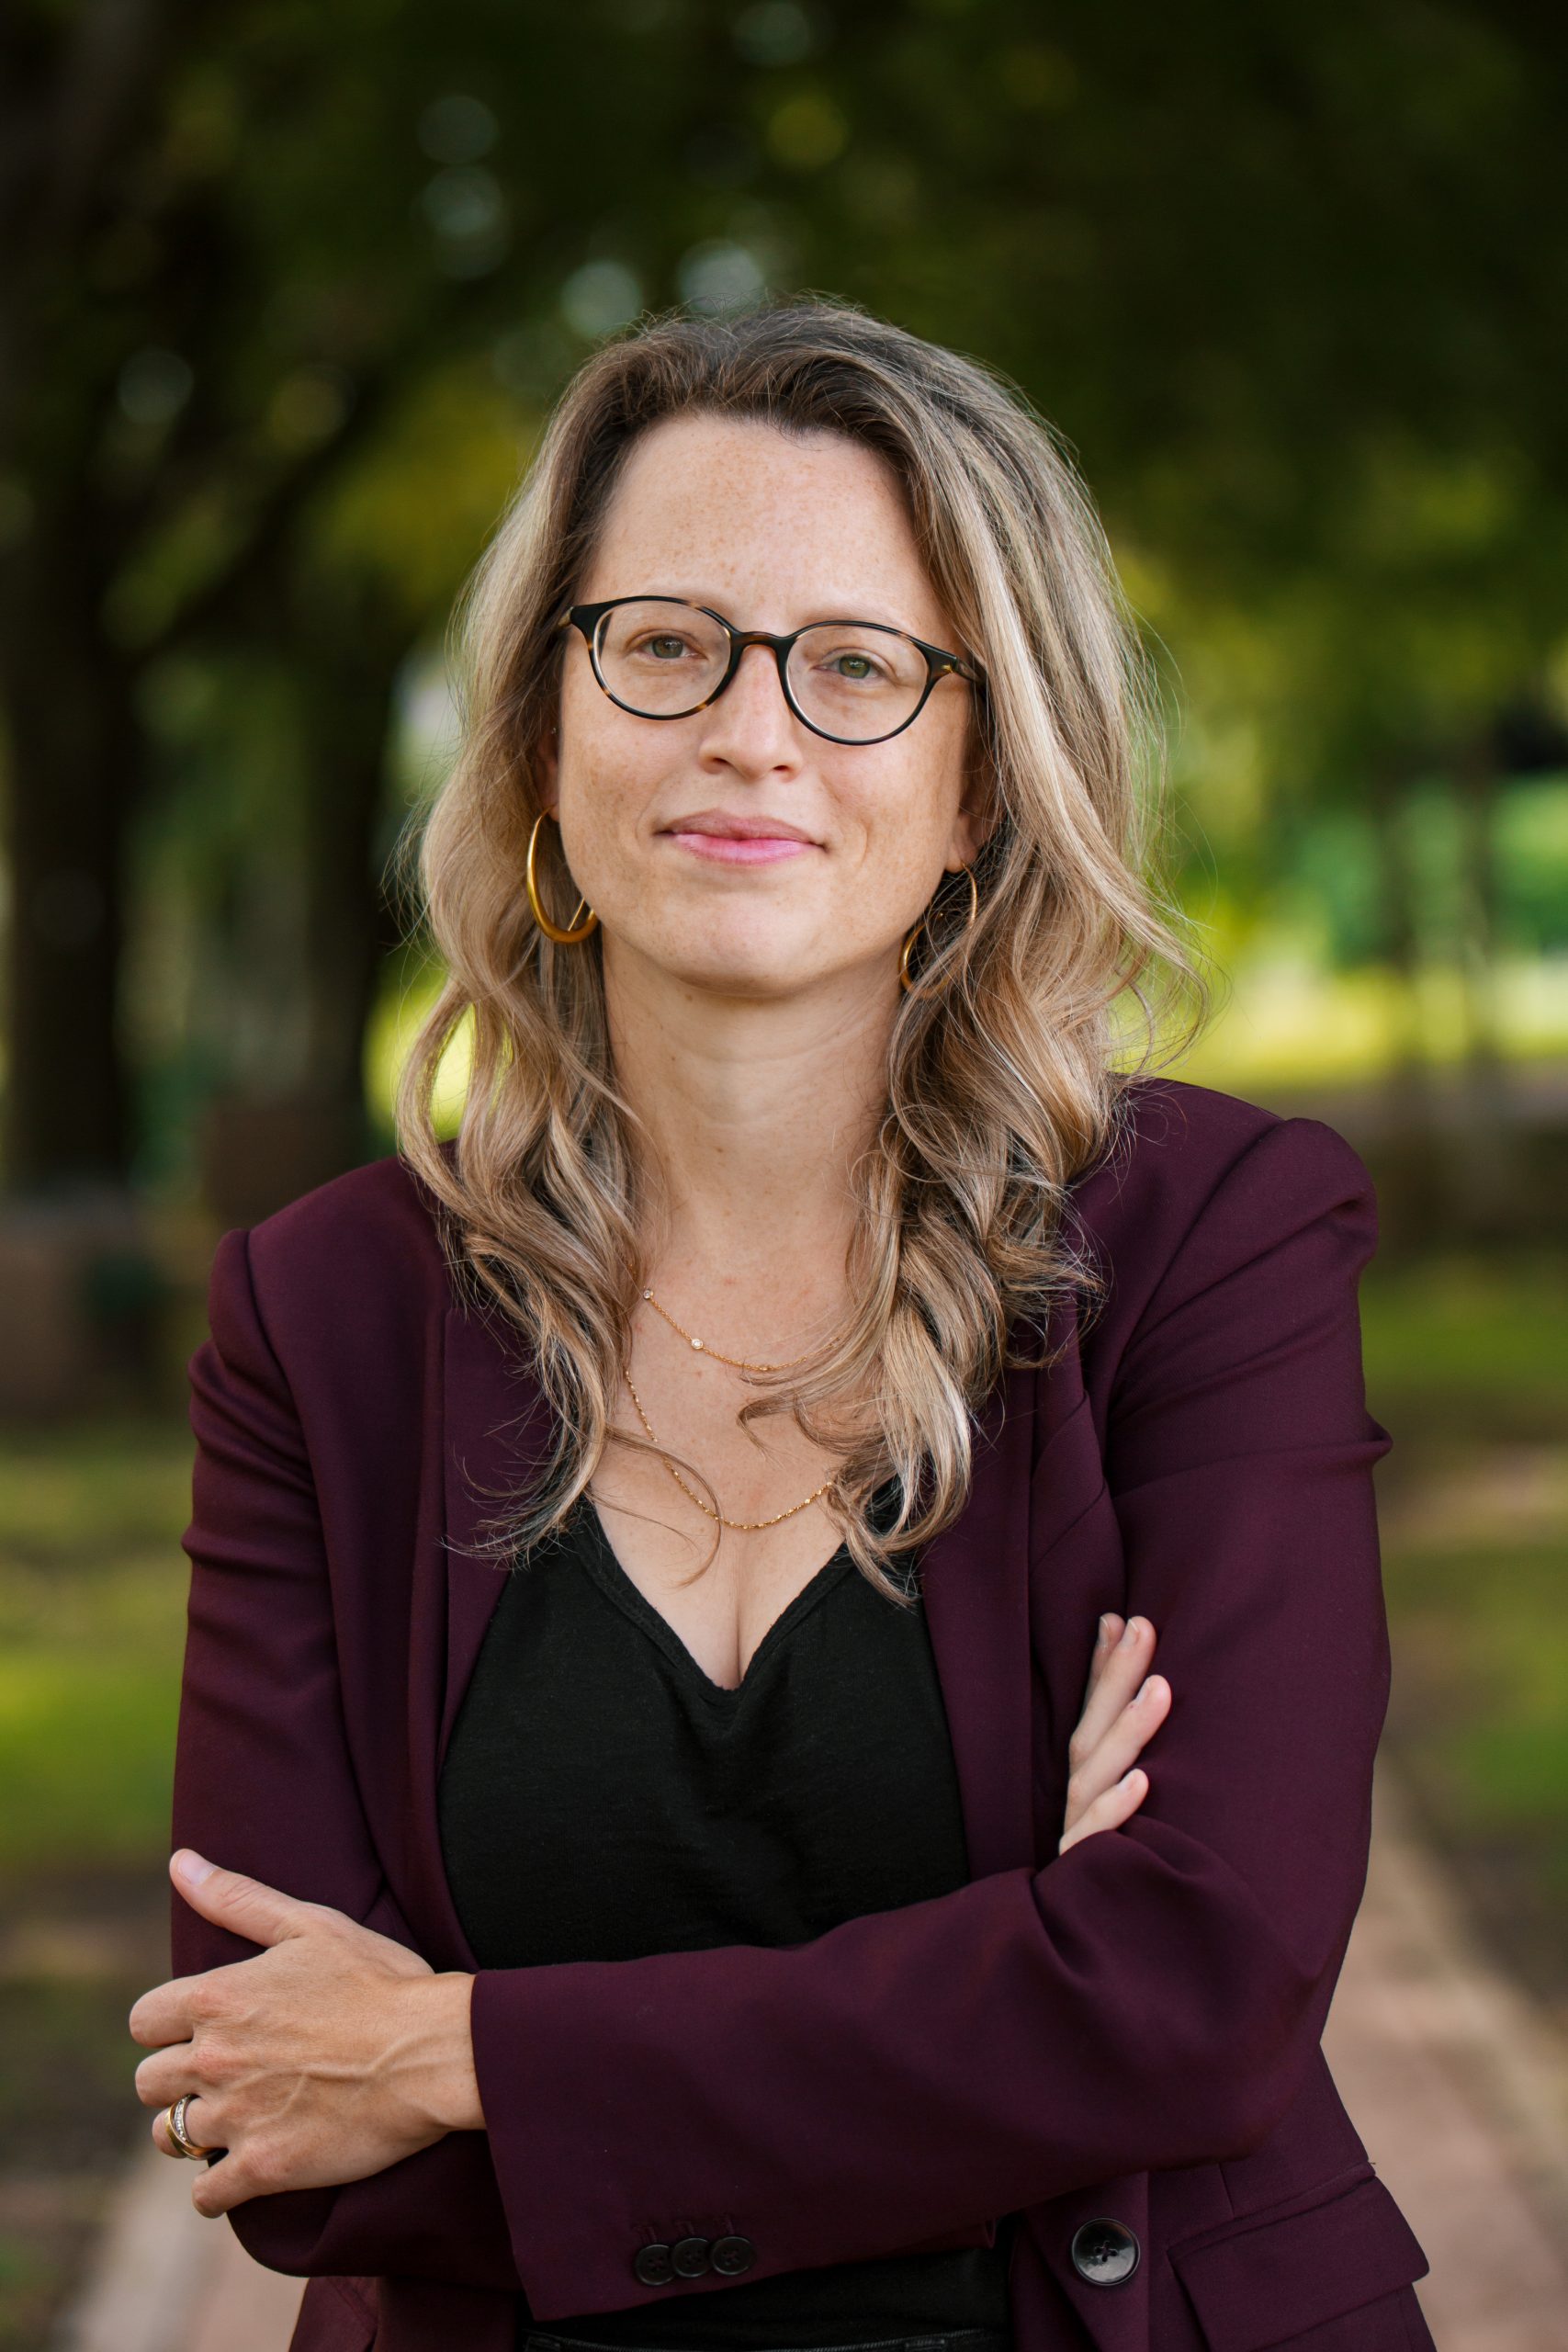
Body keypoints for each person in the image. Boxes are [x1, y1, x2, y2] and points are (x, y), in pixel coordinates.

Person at [129, 300, 1434, 2352]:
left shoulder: (1205, 1245)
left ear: (979, 779)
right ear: (545, 729)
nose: (751, 731)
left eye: (855, 668)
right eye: (664, 644)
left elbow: (1195, 1995)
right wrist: (1014, 1985)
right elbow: (271, 2114)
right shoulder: (325, 1316)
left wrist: (465, 2043)